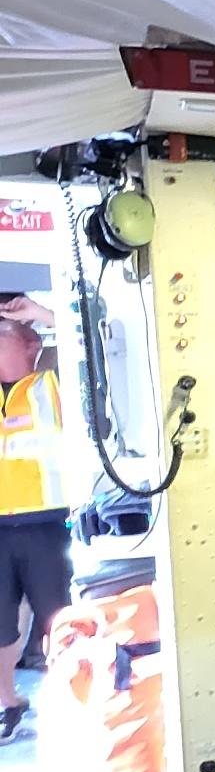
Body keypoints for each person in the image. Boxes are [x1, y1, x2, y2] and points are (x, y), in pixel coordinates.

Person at [0, 295, 66, 740]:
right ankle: (9, 703)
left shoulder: (54, 387)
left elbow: (96, 337)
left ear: (30, 343)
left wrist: (42, 313)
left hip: (48, 521)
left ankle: (71, 701)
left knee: (59, 620)